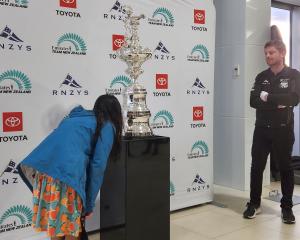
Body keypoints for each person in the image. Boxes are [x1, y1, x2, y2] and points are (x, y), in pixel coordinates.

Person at [17, 94, 123, 240]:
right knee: (72, 229)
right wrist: (89, 204)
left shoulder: (74, 118)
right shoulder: (107, 125)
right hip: (66, 179)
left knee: (57, 226)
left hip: (45, 176)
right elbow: (97, 166)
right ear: (115, 113)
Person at [243, 40, 300, 224]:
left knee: (285, 168)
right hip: (261, 130)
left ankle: (287, 208)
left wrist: (267, 97)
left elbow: (294, 99)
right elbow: (253, 101)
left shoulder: (293, 75)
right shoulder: (261, 77)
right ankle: (254, 203)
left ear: (282, 53)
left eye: (272, 53)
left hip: (283, 130)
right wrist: (278, 103)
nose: (268, 56)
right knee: (256, 167)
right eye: (266, 53)